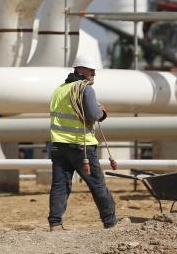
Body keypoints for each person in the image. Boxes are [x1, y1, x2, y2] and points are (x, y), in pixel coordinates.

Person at [47, 53, 118, 231]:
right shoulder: (84, 89)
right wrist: (103, 112)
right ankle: (110, 222)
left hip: (58, 146)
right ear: (80, 70)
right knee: (97, 183)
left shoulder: (59, 90)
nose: (94, 73)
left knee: (60, 185)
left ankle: (55, 223)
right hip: (81, 147)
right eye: (91, 70)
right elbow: (94, 115)